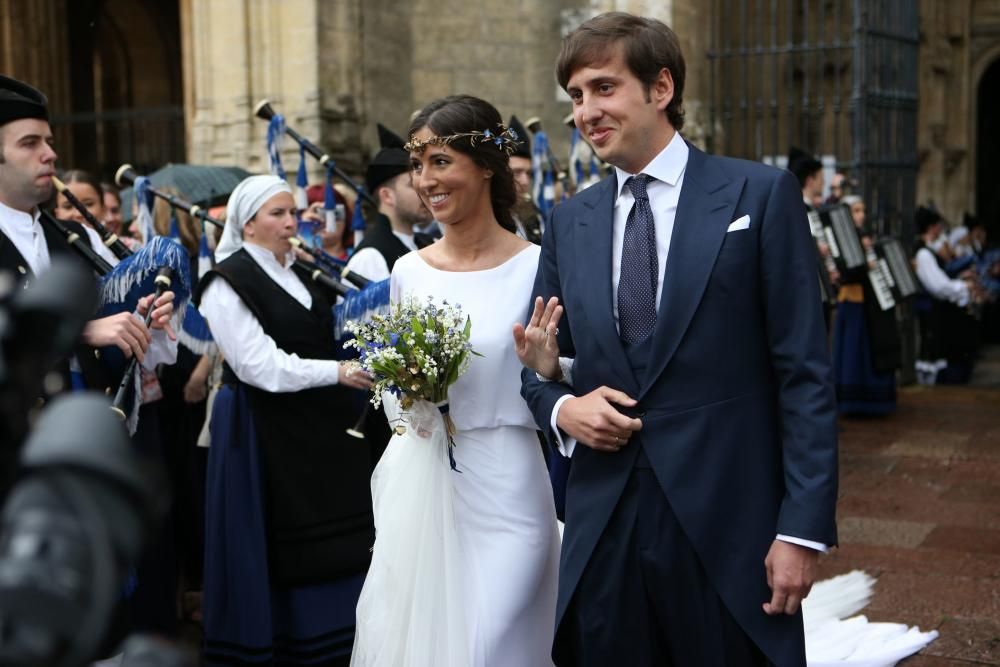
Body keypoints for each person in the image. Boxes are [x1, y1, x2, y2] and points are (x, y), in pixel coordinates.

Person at [518, 13, 837, 666]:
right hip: (605, 525)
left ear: (660, 88)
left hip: (727, 522)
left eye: (603, 88)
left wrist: (801, 529)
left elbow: (803, 372)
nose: (585, 111)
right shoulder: (569, 220)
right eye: (576, 96)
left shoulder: (759, 193)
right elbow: (537, 365)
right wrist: (560, 405)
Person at [351, 95, 560, 667]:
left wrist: (552, 367)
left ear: (486, 166)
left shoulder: (537, 265)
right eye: (417, 165)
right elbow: (396, 398)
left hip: (511, 481)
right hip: (426, 485)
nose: (425, 180)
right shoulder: (408, 271)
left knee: (492, 647)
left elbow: (570, 372)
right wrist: (407, 392)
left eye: (439, 161)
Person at [196, 175, 376, 665]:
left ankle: (342, 641)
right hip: (260, 428)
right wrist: (336, 371)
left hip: (313, 427)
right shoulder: (224, 281)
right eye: (278, 214)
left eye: (292, 212)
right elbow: (260, 366)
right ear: (247, 224)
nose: (291, 222)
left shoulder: (297, 271)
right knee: (277, 541)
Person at [0, 75, 173, 489]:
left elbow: (121, 343)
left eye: (49, 141)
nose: (50, 155)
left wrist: (143, 321)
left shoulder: (76, 238)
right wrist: (80, 331)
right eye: (30, 143)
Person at [831, 195, 898, 415]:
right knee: (853, 351)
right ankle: (852, 401)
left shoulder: (865, 237)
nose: (861, 215)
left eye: (863, 210)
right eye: (856, 210)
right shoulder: (840, 237)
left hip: (869, 302)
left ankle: (874, 401)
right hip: (852, 300)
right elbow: (845, 272)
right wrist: (864, 264)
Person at [344, 122, 430, 282]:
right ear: (387, 196)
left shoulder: (426, 243)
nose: (424, 190)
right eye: (412, 185)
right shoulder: (370, 258)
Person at [913, 205, 979, 384]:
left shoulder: (929, 251)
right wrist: (962, 286)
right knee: (933, 354)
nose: (940, 229)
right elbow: (938, 286)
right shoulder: (923, 254)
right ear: (932, 227)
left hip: (937, 310)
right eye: (938, 225)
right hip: (931, 310)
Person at [507, 114, 544, 244]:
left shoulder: (532, 215)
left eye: (528, 173)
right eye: (516, 172)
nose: (525, 181)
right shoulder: (489, 220)